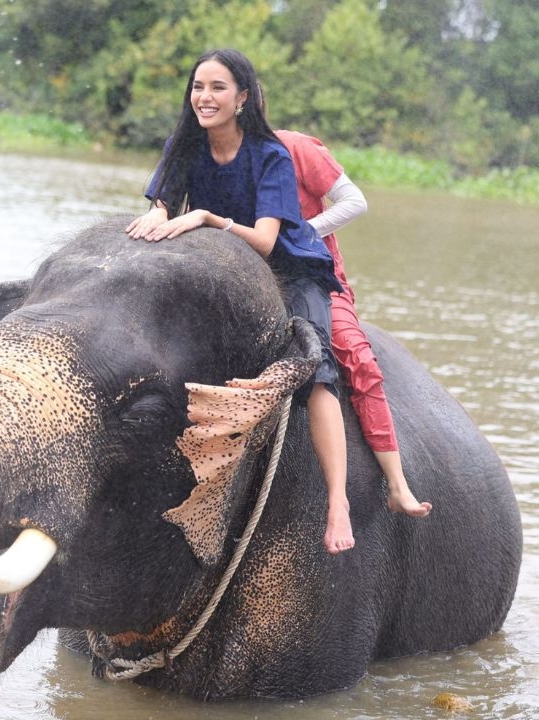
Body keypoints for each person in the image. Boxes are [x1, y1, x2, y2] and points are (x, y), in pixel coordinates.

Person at [124, 48, 353, 554]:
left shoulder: (269, 154)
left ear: (243, 98)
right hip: (218, 272)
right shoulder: (182, 146)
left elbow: (268, 241)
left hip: (287, 273)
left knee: (318, 374)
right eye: (198, 87)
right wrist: (161, 216)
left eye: (218, 88)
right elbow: (164, 203)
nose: (205, 97)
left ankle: (338, 501)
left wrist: (207, 218)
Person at [274, 127, 432, 519]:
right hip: (256, 274)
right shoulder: (222, 158)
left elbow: (354, 201)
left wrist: (299, 234)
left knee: (358, 360)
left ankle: (396, 484)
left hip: (317, 277)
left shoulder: (296, 148)